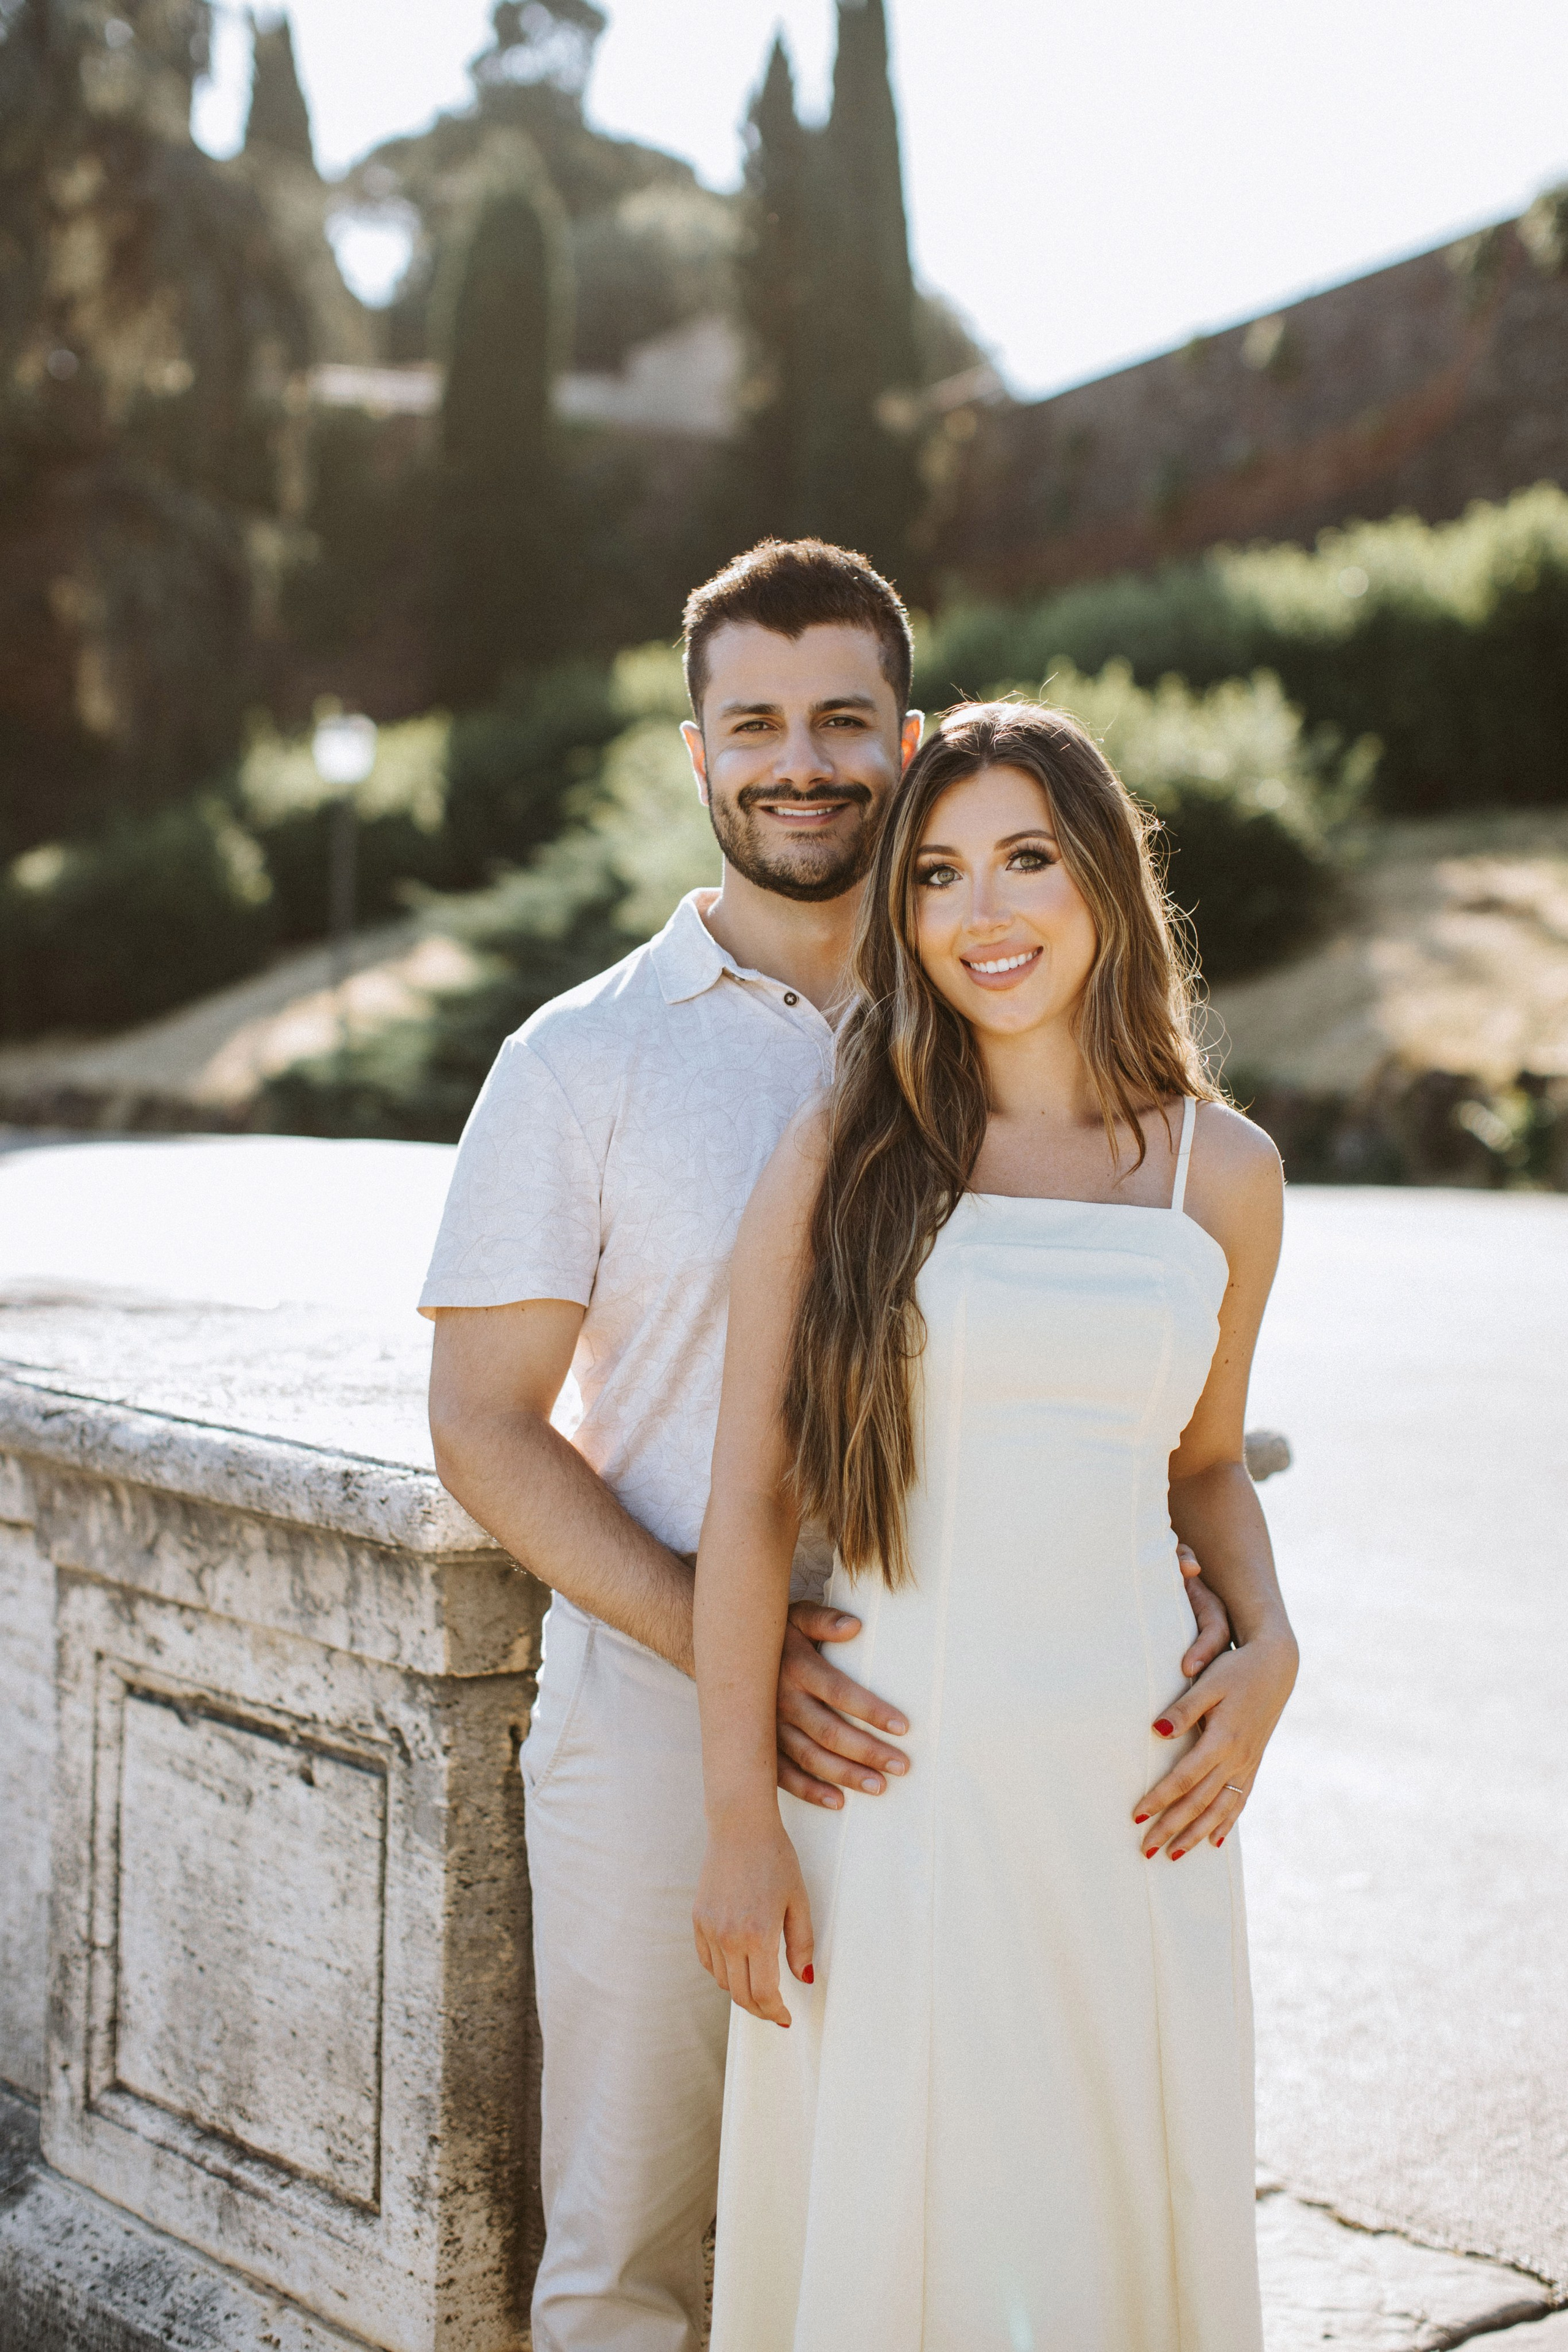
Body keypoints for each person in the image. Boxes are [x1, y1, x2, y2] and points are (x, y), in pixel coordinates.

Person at [421, 546, 1234, 2352]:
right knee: (632, 2246)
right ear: (698, 753)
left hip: (960, 1726)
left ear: (909, 741)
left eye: (845, 721)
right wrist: (733, 1649)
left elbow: (1149, 1390)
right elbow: (478, 1423)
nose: (802, 763)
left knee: (935, 2220)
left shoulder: (996, 1007)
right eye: (757, 726)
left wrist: (1242, 1631)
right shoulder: (579, 1061)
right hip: (664, 1721)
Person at [693, 699, 1299, 2351]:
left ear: (1102, 877)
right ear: (904, 916)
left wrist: (1273, 1647)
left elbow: (1206, 1463)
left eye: (1027, 858)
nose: (984, 912)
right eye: (938, 875)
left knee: (1109, 2217)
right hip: (891, 1789)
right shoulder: (845, 1152)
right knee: (896, 2230)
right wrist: (739, 1820)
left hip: (1136, 1796)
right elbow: (753, 1499)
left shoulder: (1224, 1172)